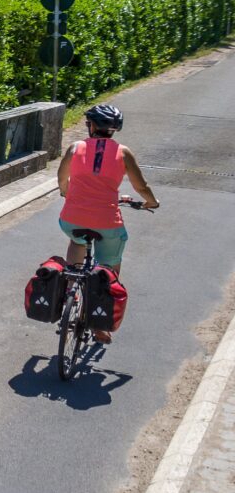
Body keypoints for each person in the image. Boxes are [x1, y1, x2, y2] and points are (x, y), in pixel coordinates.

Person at [56, 104, 160, 343]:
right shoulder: (123, 153)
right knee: (109, 268)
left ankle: (71, 287)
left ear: (91, 125)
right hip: (107, 223)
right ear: (114, 129)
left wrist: (66, 193)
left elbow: (62, 178)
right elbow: (141, 186)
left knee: (77, 239)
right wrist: (152, 202)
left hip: (71, 218)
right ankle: (98, 325)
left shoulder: (75, 147)